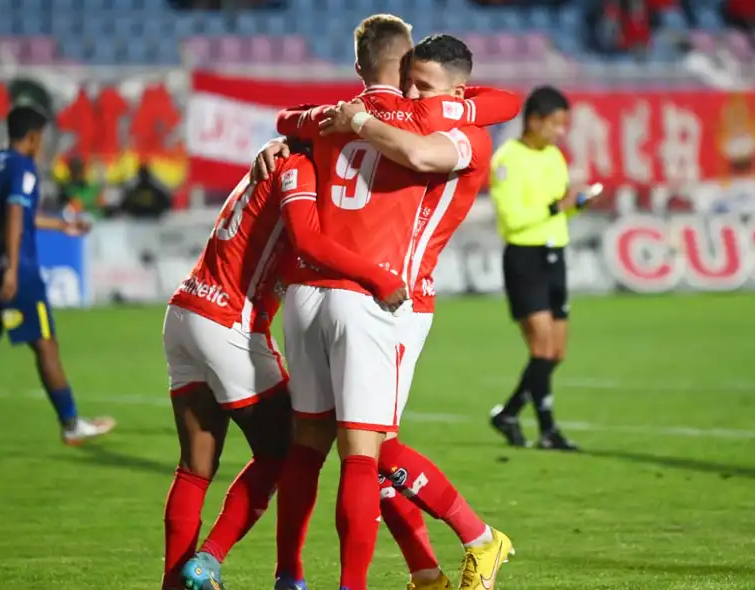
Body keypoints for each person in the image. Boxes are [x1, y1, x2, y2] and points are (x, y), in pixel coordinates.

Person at [265, 23, 518, 590]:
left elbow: (299, 120)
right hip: (374, 292)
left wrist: (323, 125)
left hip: (359, 293)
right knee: (368, 447)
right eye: (414, 82)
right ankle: (452, 555)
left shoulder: (426, 126)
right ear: (402, 67)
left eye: (428, 87)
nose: (418, 94)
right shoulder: (432, 116)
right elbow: (497, 103)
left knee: (359, 447)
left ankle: (459, 550)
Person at [163, 140, 406, 590]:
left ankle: (173, 585)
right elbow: (307, 241)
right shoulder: (298, 167)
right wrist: (377, 276)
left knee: (195, 466)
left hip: (185, 309)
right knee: (290, 447)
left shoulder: (274, 157)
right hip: (228, 319)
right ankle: (210, 560)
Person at [0, 104, 115, 451]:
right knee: (46, 344)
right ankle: (71, 425)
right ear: (34, 137)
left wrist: (63, 224)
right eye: (43, 138)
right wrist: (11, 269)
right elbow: (16, 217)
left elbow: (18, 215)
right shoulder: (24, 167)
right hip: (17, 269)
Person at [487, 86, 600, 451]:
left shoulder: (554, 156)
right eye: (554, 123)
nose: (559, 131)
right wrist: (556, 207)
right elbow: (512, 218)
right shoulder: (506, 159)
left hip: (555, 255)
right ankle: (548, 430)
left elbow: (558, 205)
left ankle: (509, 413)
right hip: (525, 258)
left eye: (563, 125)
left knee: (556, 352)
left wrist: (577, 203)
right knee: (541, 347)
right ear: (533, 120)